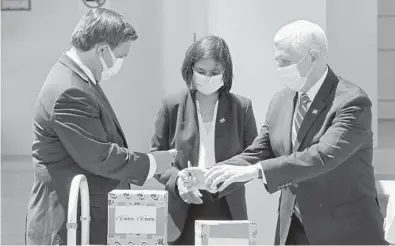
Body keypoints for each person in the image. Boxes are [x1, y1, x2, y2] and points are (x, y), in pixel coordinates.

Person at [203, 20, 387, 245]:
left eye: (286, 61)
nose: (280, 68)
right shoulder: (281, 100)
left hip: (345, 232)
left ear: (313, 57)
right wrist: (214, 174)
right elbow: (261, 151)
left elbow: (322, 156)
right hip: (294, 229)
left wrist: (256, 171)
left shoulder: (351, 102)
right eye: (277, 61)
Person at [25, 8, 177, 245]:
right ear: (103, 50)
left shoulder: (76, 79)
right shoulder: (69, 90)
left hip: (83, 219)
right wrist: (153, 162)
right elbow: (99, 156)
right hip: (68, 225)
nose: (121, 63)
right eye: (122, 56)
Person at [150, 35, 258, 245]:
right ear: (190, 69)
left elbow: (253, 156)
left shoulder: (241, 107)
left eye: (215, 72)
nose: (208, 77)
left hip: (226, 206)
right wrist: (177, 179)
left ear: (225, 73)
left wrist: (225, 176)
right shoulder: (172, 104)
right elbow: (156, 156)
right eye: (201, 71)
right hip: (182, 207)